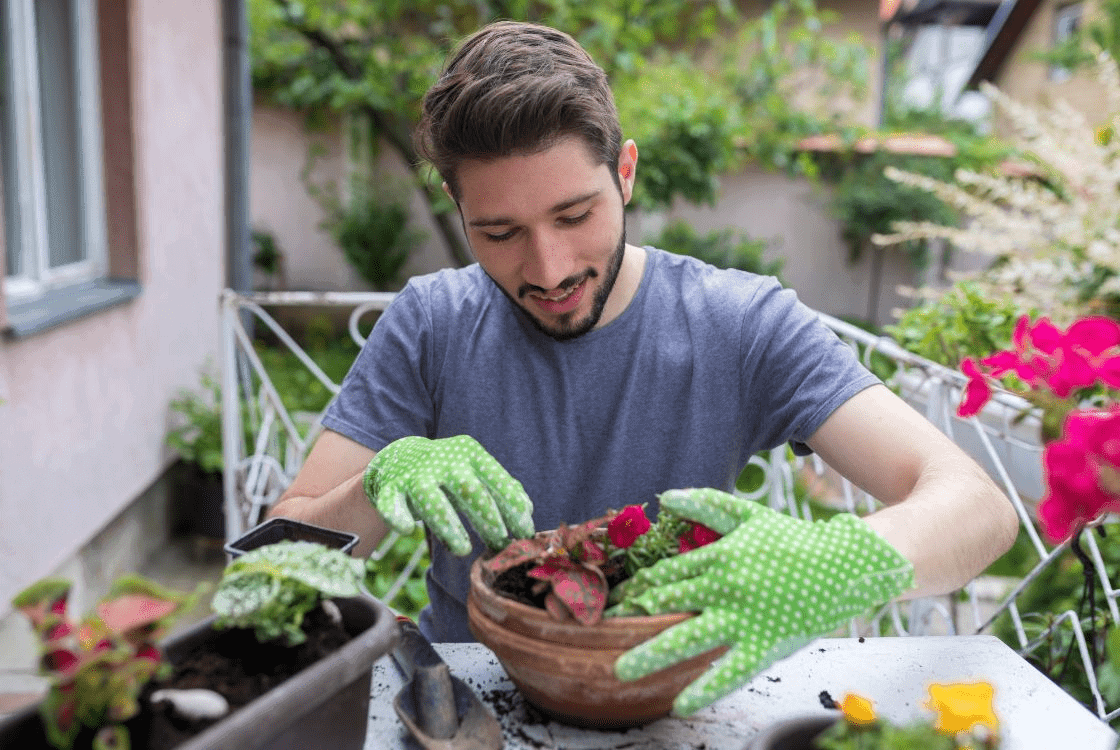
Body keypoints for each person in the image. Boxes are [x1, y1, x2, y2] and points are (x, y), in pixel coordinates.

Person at [269, 19, 1019, 715]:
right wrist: (375, 485)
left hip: (684, 698)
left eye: (574, 216)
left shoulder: (742, 323)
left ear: (625, 174)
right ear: (458, 212)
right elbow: (277, 567)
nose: (549, 268)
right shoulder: (430, 324)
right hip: (464, 701)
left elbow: (979, 510)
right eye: (498, 232)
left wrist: (844, 558)